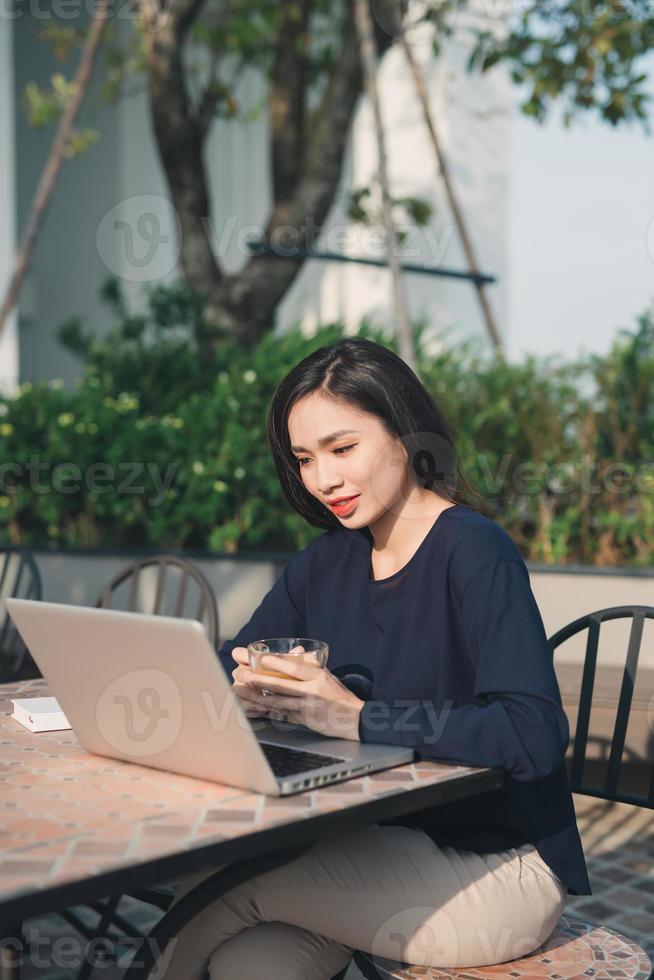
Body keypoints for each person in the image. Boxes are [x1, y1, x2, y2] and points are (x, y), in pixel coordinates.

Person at [160, 337, 591, 980]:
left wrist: (358, 717)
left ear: (404, 434)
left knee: (220, 880)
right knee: (250, 964)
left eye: (342, 448)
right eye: (304, 458)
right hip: (371, 846)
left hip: (498, 870)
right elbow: (232, 660)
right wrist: (249, 684)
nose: (323, 479)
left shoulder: (473, 551)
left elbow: (532, 731)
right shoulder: (326, 561)